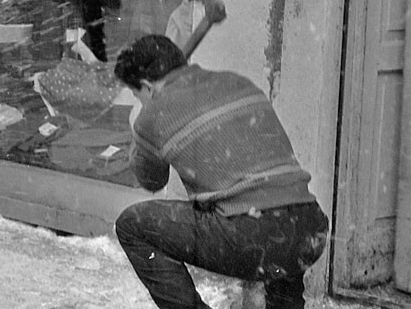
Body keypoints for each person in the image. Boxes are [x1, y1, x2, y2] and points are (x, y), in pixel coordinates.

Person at [112, 34, 330, 309]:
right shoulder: (237, 82)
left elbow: (152, 180)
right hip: (308, 227)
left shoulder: (152, 114)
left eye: (136, 94)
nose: (139, 100)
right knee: (276, 215)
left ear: (146, 86)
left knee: (132, 225)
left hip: (250, 233)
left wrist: (139, 132)